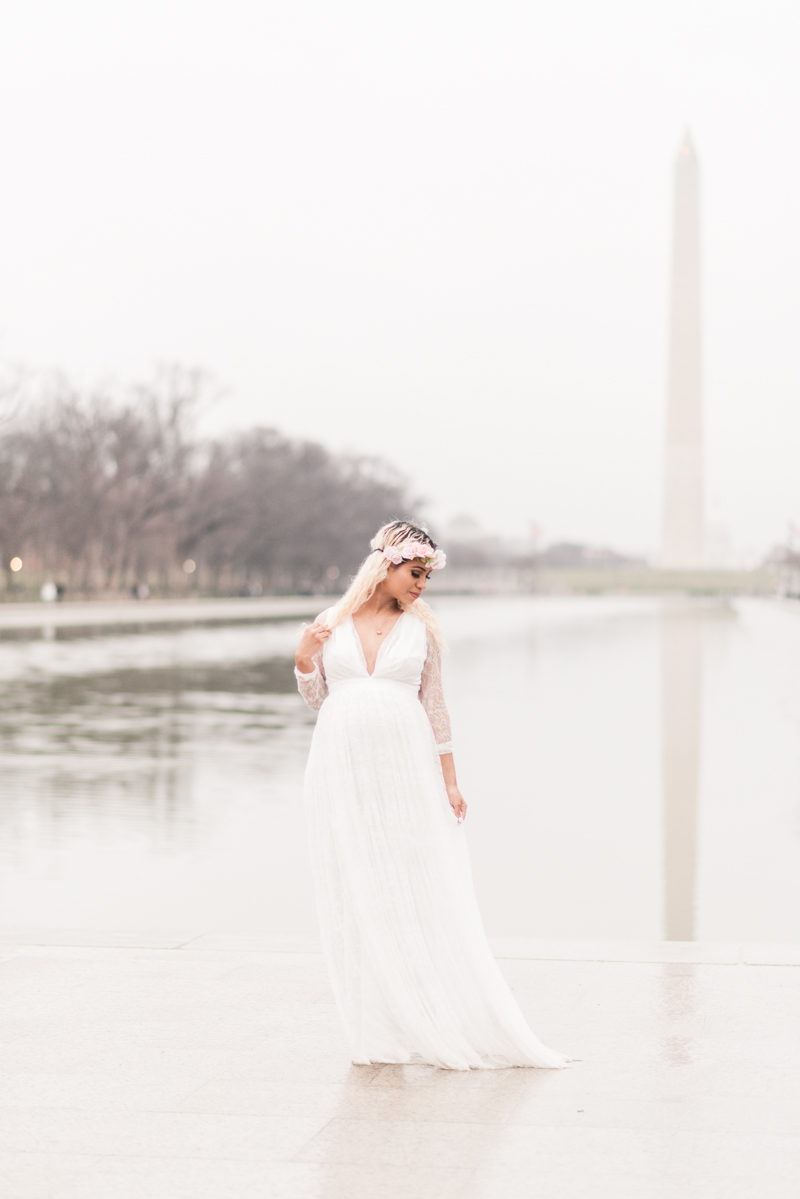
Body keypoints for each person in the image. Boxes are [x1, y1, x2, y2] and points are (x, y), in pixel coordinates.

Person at [295, 520, 568, 1071]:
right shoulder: (331, 622)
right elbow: (318, 698)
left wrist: (449, 779)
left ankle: (428, 1005)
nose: (421, 585)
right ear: (386, 567)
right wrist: (303, 657)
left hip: (405, 765)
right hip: (341, 764)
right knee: (359, 883)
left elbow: (436, 706)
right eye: (415, 573)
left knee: (413, 879)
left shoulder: (422, 631)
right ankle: (377, 1023)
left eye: (426, 576)